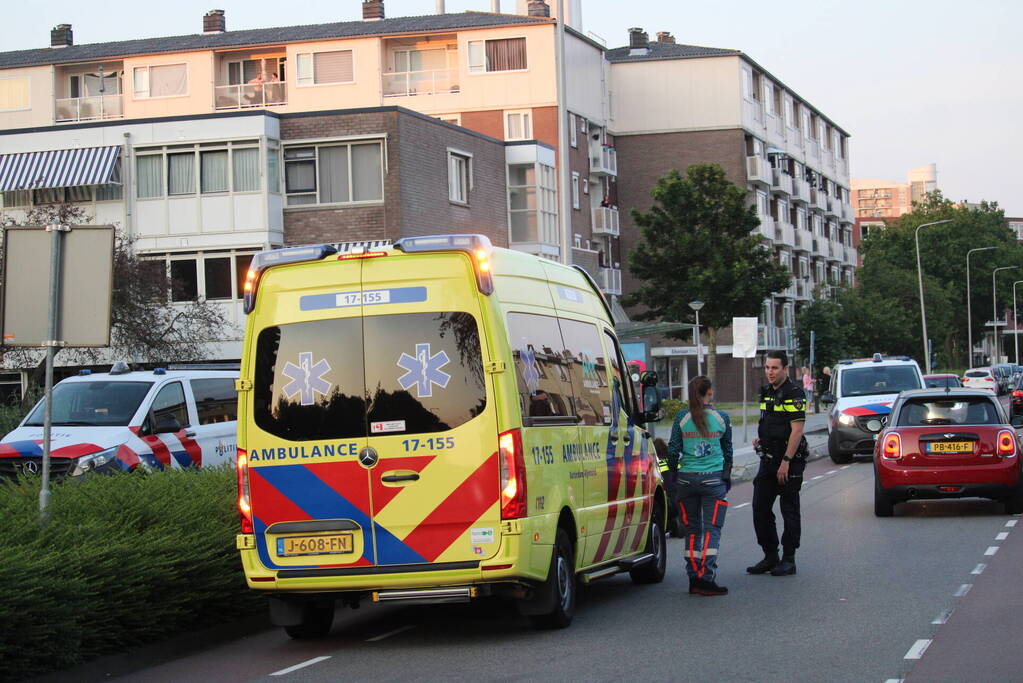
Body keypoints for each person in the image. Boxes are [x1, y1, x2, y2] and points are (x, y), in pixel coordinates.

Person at [667, 375, 733, 596]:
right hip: (712, 480)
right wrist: (726, 475)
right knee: (712, 530)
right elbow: (728, 450)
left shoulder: (681, 418)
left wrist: (674, 476)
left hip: (686, 480)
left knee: (692, 530)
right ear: (710, 393)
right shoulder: (721, 417)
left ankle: (693, 576)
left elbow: (672, 450)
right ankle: (707, 577)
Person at [748, 350, 808, 577]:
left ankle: (789, 558)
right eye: (767, 367)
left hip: (788, 461)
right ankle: (770, 555)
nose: (770, 372)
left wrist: (786, 461)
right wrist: (761, 439)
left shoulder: (794, 393)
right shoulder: (766, 392)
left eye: (774, 368)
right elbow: (768, 421)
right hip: (768, 459)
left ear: (785, 369)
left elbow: (797, 430)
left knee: (789, 509)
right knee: (760, 507)